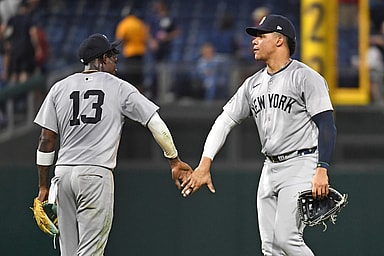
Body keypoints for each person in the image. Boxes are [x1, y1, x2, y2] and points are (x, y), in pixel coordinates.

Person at [181, 15, 337, 256]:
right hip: (269, 167)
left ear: (279, 41)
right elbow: (225, 120)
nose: (254, 41)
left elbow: (326, 125)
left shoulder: (306, 77)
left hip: (301, 162)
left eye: (261, 36)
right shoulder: (252, 84)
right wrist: (205, 163)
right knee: (270, 248)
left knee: (287, 239)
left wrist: (322, 168)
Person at [33, 33, 192, 256]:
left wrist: (43, 186)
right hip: (95, 174)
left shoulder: (59, 87)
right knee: (90, 252)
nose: (116, 60)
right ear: (101, 60)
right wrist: (174, 159)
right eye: (111, 55)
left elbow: (46, 140)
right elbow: (155, 122)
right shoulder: (118, 87)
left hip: (63, 176)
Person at [115, 3, 148, 92]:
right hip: (140, 52)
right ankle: (141, 93)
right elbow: (146, 37)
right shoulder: (140, 23)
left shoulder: (124, 24)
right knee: (139, 76)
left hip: (130, 53)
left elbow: (120, 39)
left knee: (131, 76)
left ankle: (131, 94)